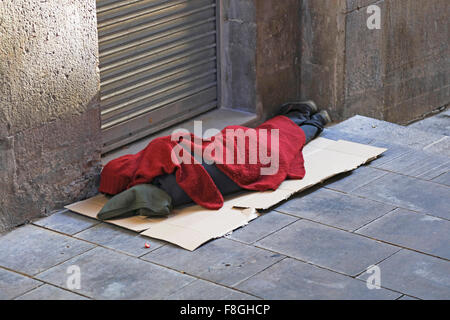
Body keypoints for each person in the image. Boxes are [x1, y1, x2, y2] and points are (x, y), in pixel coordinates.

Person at [97, 101, 331, 220]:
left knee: (281, 142)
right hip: (236, 155)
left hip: (238, 157)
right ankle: (305, 115)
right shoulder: (159, 168)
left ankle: (314, 120)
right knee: (269, 137)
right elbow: (180, 143)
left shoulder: (170, 188)